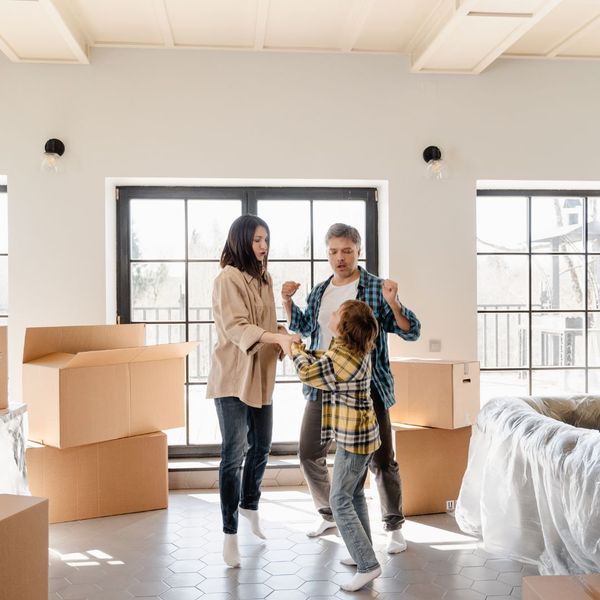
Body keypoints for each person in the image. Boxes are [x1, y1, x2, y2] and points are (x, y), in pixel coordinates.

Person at [282, 223, 420, 553]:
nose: (339, 258)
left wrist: (394, 303)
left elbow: (410, 330)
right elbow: (302, 326)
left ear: (359, 251)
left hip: (366, 388)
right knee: (308, 453)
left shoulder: (375, 288)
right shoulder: (320, 290)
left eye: (346, 251)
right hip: (325, 385)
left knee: (382, 459)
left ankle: (393, 525)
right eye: (333, 252)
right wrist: (286, 300)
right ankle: (331, 512)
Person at [207, 214, 298, 568]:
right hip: (233, 377)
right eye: (257, 240)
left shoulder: (265, 278)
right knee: (233, 454)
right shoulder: (227, 278)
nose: (263, 246)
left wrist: (286, 334)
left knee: (262, 445)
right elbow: (236, 327)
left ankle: (249, 506)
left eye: (266, 240)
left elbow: (264, 323)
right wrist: (277, 337)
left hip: (260, 375)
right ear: (241, 241)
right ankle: (229, 534)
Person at [292, 299, 382, 592]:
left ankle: (368, 565)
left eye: (336, 314)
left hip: (355, 441)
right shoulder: (349, 349)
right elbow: (324, 357)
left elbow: (309, 373)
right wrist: (304, 349)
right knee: (354, 495)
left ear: (343, 328)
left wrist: (293, 351)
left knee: (338, 500)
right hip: (361, 436)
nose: (331, 315)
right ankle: (361, 555)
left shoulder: (344, 359)